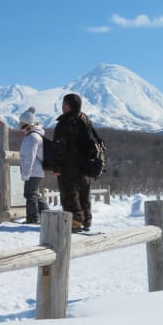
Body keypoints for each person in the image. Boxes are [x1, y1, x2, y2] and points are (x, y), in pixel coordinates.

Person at [53, 93, 94, 232]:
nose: (63, 107)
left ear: (69, 106)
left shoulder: (64, 123)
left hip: (68, 166)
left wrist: (56, 166)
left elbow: (59, 148)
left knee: (69, 194)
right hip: (86, 166)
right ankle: (86, 221)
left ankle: (75, 222)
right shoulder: (85, 120)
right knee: (84, 193)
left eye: (65, 104)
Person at [18, 106, 49, 224]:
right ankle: (47, 214)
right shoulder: (35, 136)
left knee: (29, 194)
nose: (19, 125)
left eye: (21, 122)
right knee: (34, 194)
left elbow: (29, 158)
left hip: (33, 171)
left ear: (26, 123)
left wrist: (26, 174)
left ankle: (32, 218)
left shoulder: (32, 137)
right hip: (37, 170)